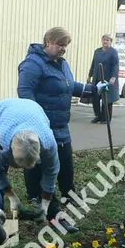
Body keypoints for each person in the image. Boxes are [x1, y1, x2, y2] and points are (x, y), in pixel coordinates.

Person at [17, 27, 107, 233]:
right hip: (41, 128)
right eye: (60, 45)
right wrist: (36, 120)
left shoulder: (61, 64)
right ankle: (52, 214)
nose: (63, 49)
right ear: (48, 42)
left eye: (66, 45)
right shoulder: (32, 65)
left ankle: (68, 199)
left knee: (65, 167)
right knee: (45, 171)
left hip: (60, 127)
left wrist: (93, 89)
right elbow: (24, 93)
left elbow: (68, 86)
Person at [0, 98, 63, 224]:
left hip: (34, 109)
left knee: (46, 170)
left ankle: (51, 210)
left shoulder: (48, 143)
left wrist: (44, 207)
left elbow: (51, 172)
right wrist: (11, 196)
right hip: (2, 109)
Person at [87, 34, 120, 124]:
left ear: (110, 42)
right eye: (104, 40)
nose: (105, 42)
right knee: (96, 99)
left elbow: (115, 66)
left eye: (107, 40)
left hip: (107, 79)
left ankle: (106, 118)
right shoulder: (97, 51)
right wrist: (89, 75)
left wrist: (113, 77)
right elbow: (93, 64)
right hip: (97, 78)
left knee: (107, 100)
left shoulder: (113, 52)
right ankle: (98, 116)